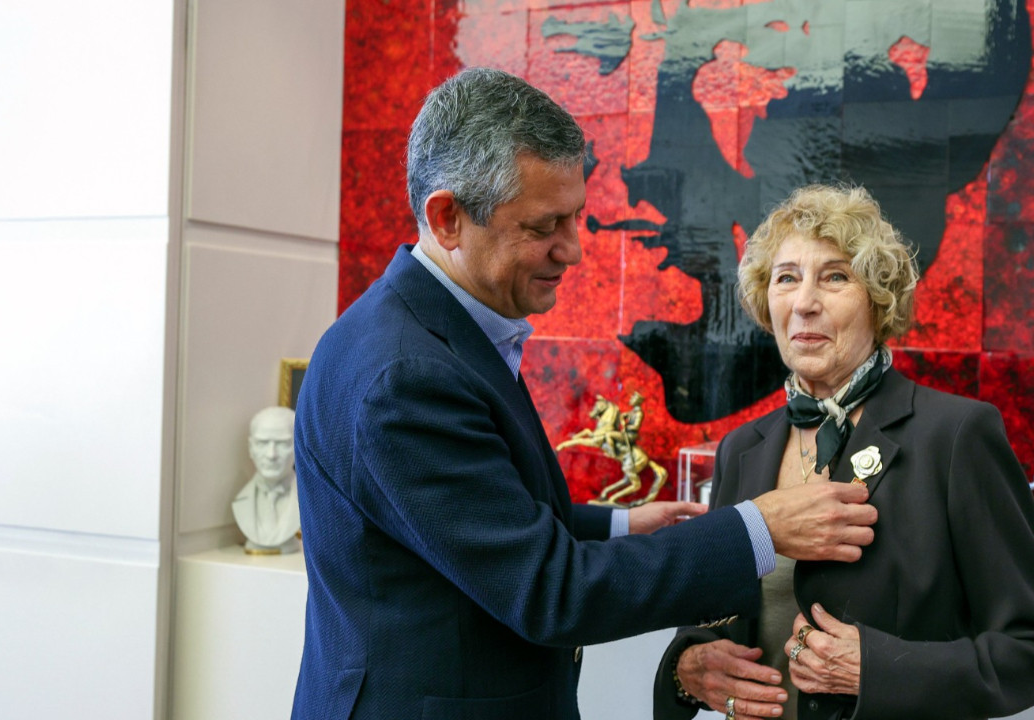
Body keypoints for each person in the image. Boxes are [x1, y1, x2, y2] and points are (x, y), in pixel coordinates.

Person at [291, 68, 880, 720]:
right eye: (544, 226)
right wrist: (760, 530)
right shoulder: (406, 377)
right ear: (448, 217)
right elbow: (550, 591)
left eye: (574, 217)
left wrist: (620, 525)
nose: (572, 251)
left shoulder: (428, 333)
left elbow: (479, 515)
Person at [653, 185, 1034, 720]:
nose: (804, 303)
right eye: (786, 278)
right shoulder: (742, 448)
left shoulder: (955, 436)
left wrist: (876, 670)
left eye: (835, 277)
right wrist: (687, 666)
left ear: (878, 300)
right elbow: (705, 619)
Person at [232, 406, 301, 554]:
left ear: (297, 447)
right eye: (262, 443)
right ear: (251, 448)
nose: (271, 455)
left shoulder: (309, 500)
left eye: (282, 444)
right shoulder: (240, 500)